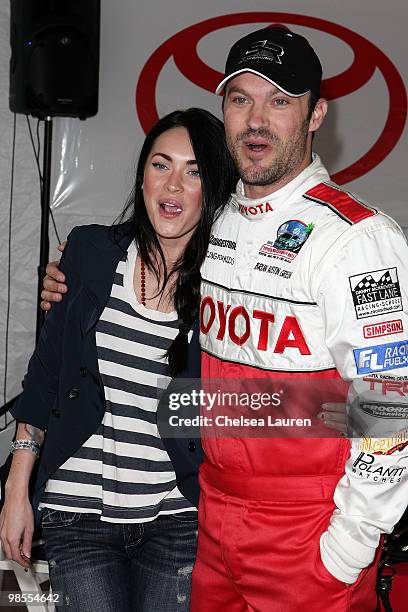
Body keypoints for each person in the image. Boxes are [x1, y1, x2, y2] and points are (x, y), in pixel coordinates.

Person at [39, 27, 408, 612]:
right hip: (211, 521)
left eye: (280, 101)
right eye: (241, 99)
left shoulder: (358, 239)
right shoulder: (220, 223)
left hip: (309, 534)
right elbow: (138, 253)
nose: (256, 120)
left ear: (317, 115)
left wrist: (351, 542)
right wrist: (68, 282)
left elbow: (389, 401)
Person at [0, 108, 237, 612]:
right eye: (160, 164)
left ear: (214, 187)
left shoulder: (228, 284)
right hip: (76, 508)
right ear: (142, 175)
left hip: (178, 516)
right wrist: (16, 490)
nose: (172, 185)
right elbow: (44, 379)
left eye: (194, 171)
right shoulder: (88, 253)